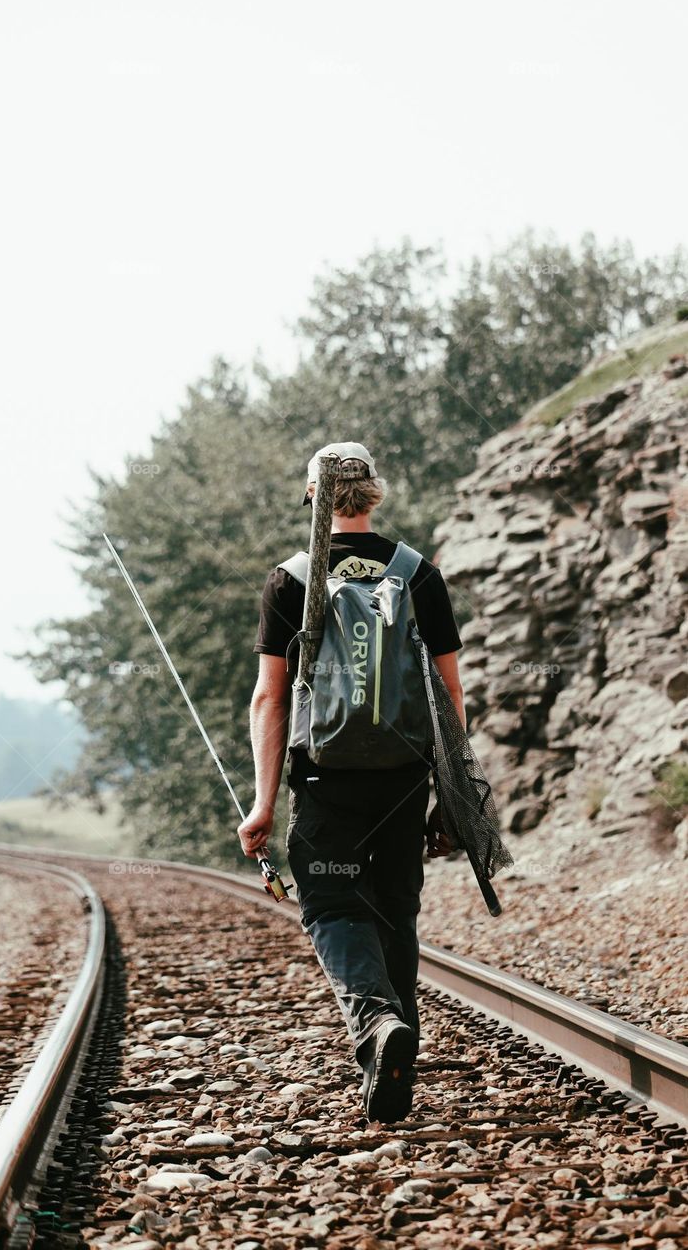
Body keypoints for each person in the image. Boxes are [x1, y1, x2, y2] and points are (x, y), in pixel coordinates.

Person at [237, 441, 464, 1122]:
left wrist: (262, 805)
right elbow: (449, 696)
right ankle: (395, 1061)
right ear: (374, 493)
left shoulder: (290, 579)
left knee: (334, 906)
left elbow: (270, 700)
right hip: (402, 779)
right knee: (394, 909)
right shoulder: (419, 574)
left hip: (325, 777)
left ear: (314, 495)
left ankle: (373, 1025)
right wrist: (451, 797)